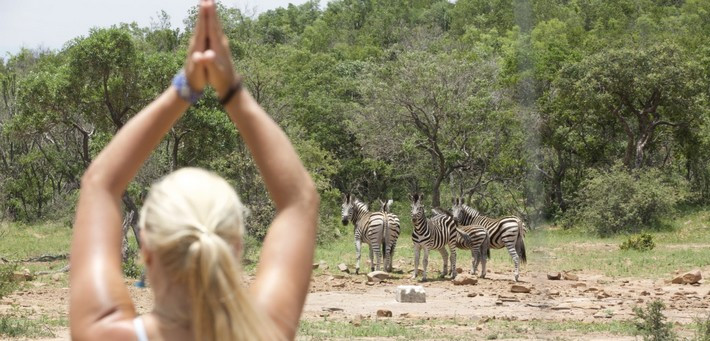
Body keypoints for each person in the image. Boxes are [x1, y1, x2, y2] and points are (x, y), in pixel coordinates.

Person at [68, 0, 319, 340]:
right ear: (236, 251)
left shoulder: (105, 335)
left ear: (147, 253)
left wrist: (185, 88)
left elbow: (99, 184)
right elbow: (299, 200)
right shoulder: (265, 333)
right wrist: (231, 90)